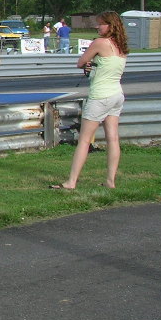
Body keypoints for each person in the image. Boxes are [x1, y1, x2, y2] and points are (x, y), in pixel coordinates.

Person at [51, 11, 128, 190]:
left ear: (110, 26)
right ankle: (110, 181)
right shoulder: (121, 46)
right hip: (117, 94)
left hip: (100, 96)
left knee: (84, 140)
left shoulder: (100, 43)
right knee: (113, 139)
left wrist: (90, 64)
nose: (97, 27)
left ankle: (71, 182)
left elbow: (80, 62)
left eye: (101, 24)